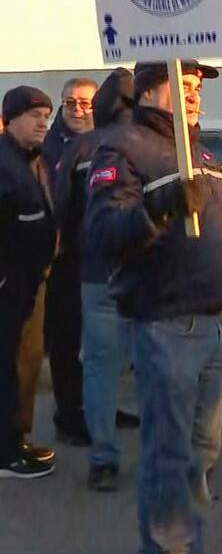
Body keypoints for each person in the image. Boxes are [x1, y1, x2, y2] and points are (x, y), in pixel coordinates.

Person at [85, 60, 222, 551]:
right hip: (166, 327)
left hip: (213, 331)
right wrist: (158, 207)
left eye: (197, 87)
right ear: (149, 91)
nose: (195, 94)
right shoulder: (122, 148)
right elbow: (103, 234)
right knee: (169, 459)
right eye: (182, 84)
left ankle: (185, 540)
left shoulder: (201, 152)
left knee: (202, 454)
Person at [53, 68, 138, 490]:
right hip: (136, 273)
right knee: (149, 363)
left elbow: (60, 210)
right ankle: (164, 454)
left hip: (98, 271)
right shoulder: (154, 143)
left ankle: (104, 456)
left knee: (103, 366)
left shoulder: (81, 148)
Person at [0, 86, 58, 479]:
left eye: (46, 115)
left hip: (26, 284)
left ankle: (13, 441)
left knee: (15, 367)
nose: (43, 121)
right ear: (10, 119)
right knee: (4, 368)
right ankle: (6, 455)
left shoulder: (31, 160)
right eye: (34, 114)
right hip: (9, 286)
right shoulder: (4, 165)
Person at [40, 77, 99, 448]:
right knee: (66, 339)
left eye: (86, 103)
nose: (78, 110)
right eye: (71, 103)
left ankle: (99, 407)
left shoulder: (105, 139)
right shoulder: (49, 148)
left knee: (100, 340)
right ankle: (69, 414)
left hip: (101, 255)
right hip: (65, 257)